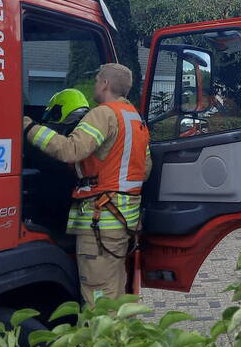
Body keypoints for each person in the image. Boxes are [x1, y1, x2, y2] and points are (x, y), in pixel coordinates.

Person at [23, 63, 151, 305]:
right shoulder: (136, 119)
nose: (94, 85)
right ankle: (122, 342)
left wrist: (29, 128)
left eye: (96, 81)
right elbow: (144, 169)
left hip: (100, 224)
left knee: (98, 299)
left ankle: (99, 342)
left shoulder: (103, 114)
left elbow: (71, 150)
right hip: (125, 221)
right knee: (117, 293)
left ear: (105, 84)